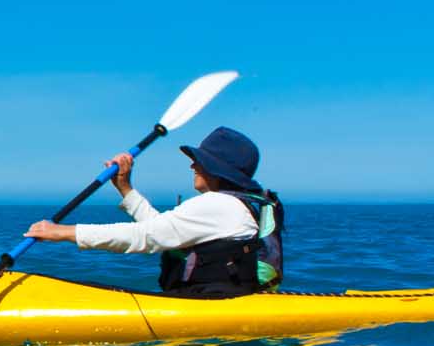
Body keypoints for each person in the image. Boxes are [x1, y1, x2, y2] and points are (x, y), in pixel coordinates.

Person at [23, 126, 284, 297]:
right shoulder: (239, 205)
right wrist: (126, 189)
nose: (193, 165)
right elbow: (166, 230)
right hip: (220, 299)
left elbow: (146, 237)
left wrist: (64, 232)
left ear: (218, 169)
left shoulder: (219, 205)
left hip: (211, 305)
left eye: (200, 161)